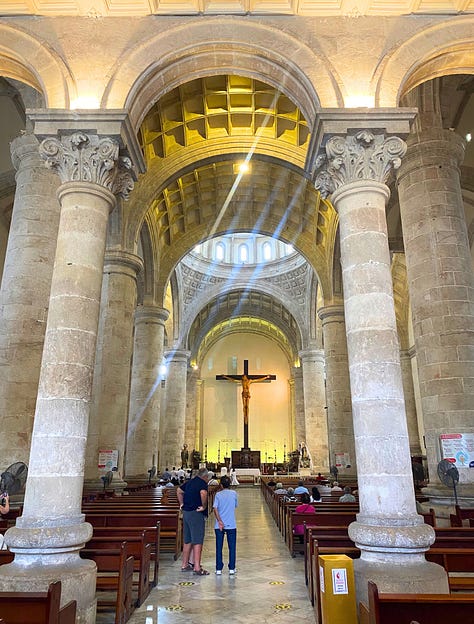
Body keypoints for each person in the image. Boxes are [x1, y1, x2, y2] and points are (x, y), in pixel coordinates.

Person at [177, 467, 210, 575]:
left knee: (188, 540)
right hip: (196, 514)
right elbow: (203, 494)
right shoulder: (202, 483)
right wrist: (204, 506)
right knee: (197, 540)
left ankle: (184, 564)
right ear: (205, 476)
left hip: (186, 513)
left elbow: (179, 490)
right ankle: (196, 567)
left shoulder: (190, 482)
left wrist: (182, 504)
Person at [213, 475, 238, 575]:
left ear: (221, 485)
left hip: (219, 525)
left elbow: (215, 508)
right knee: (232, 547)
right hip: (231, 524)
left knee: (219, 547)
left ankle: (218, 568)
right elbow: (235, 505)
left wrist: (219, 521)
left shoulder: (218, 495)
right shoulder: (234, 493)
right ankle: (232, 568)